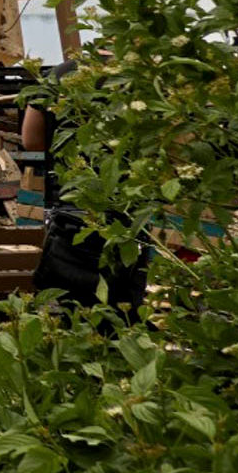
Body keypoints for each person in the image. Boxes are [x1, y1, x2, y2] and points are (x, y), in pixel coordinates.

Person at [21, 60, 150, 309]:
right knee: (121, 310)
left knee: (68, 309)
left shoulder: (60, 74)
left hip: (71, 209)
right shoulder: (143, 78)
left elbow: (31, 140)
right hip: (127, 212)